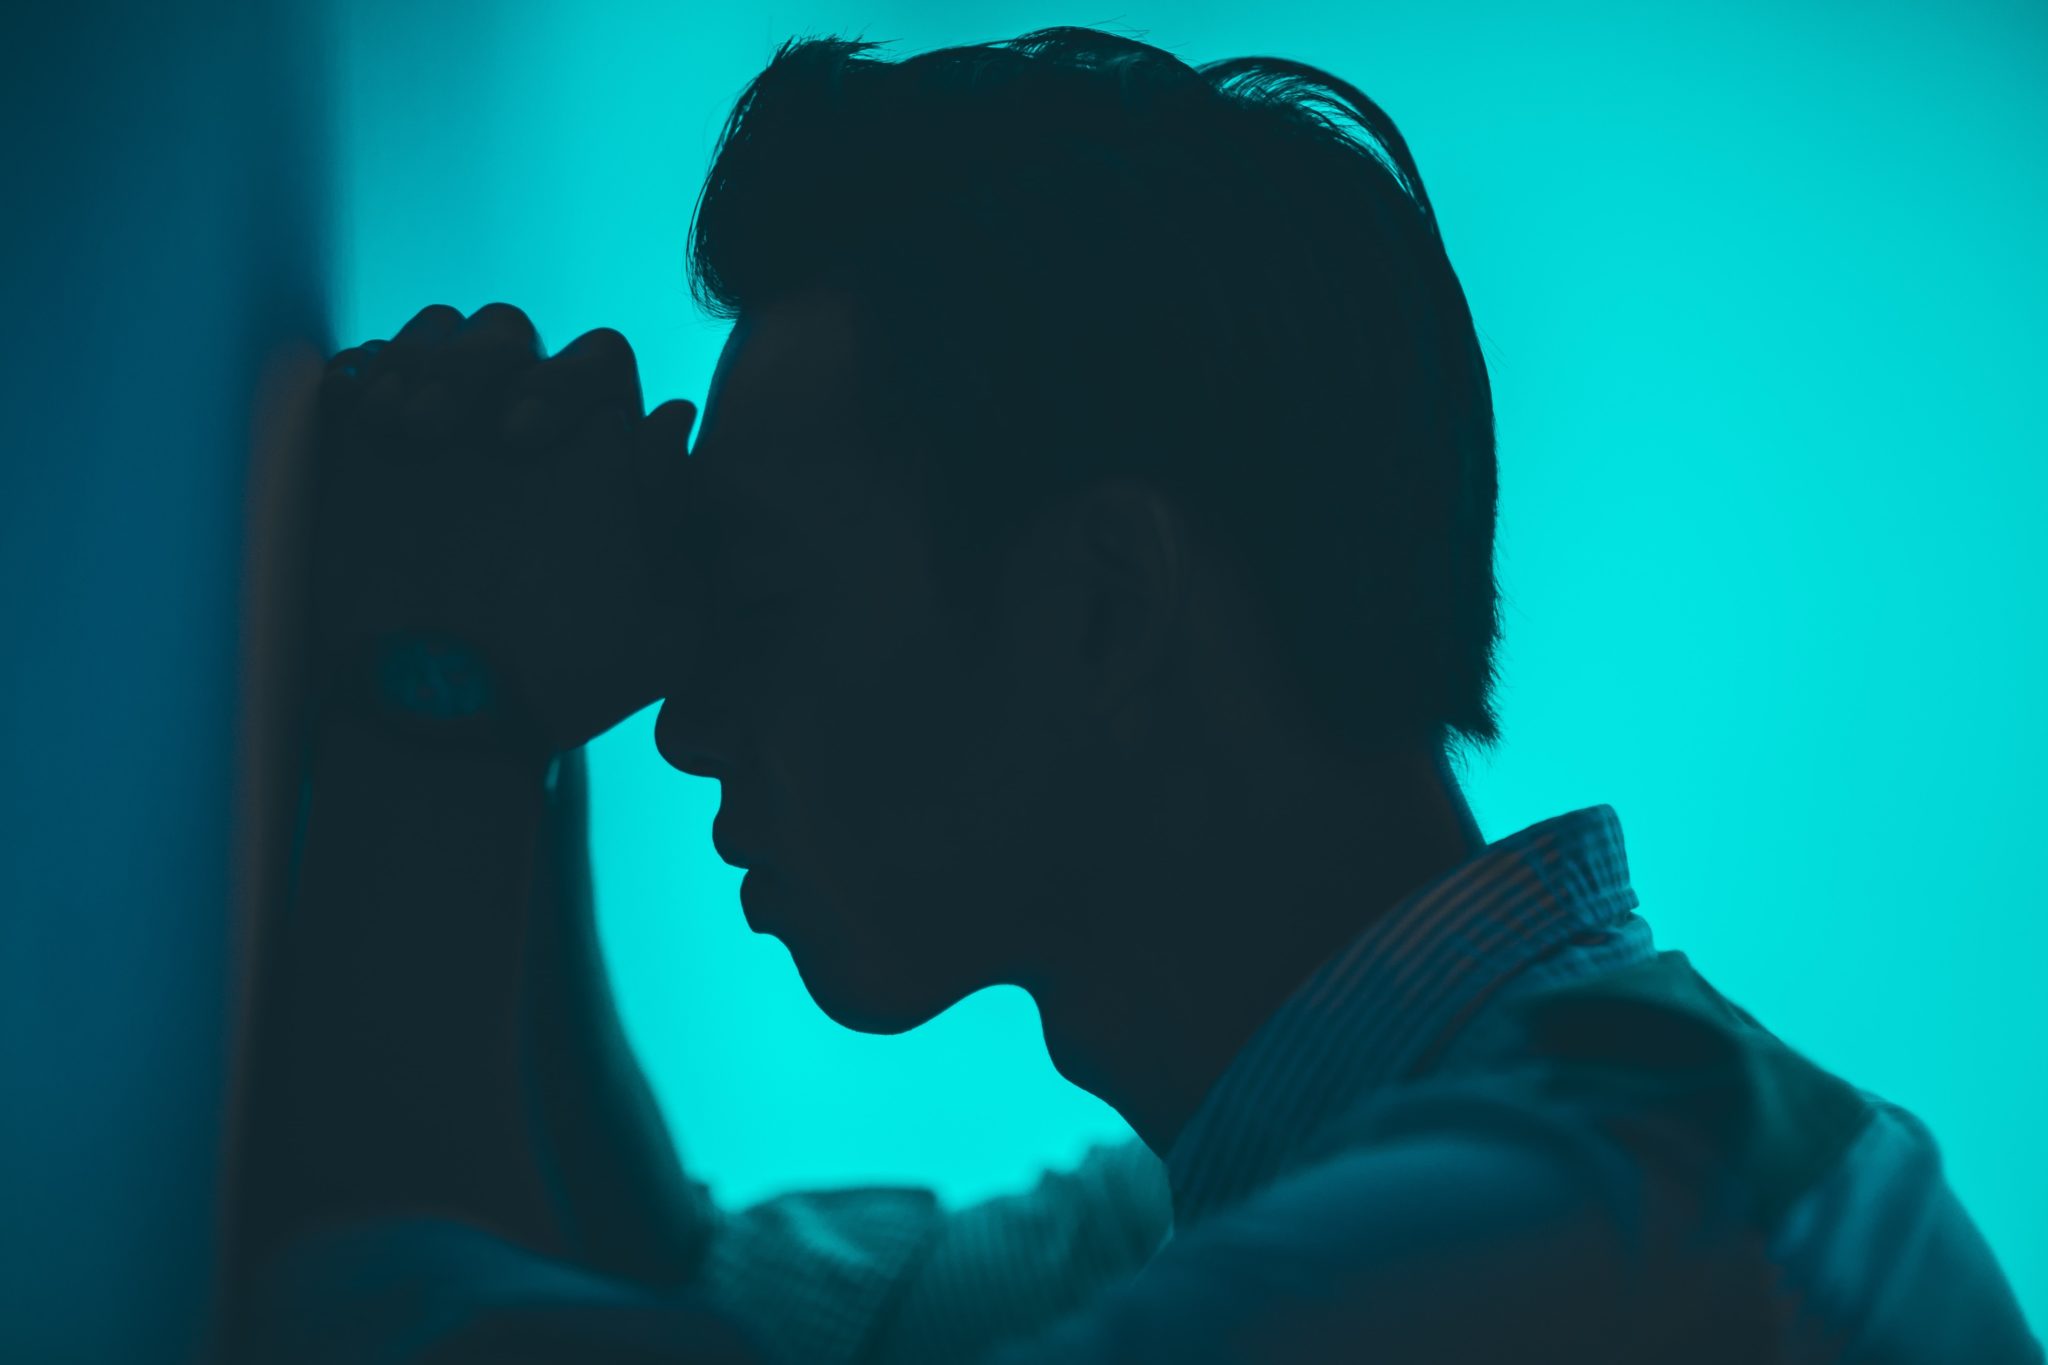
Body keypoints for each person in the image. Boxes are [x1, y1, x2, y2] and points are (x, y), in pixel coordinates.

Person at [228, 26, 2043, 1365]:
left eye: (756, 602)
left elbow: (369, 1328)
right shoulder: (1453, 1160)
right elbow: (677, 1299)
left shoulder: (1574, 1241)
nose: (687, 715)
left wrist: (439, 696)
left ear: (1103, 603)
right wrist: (515, 692)